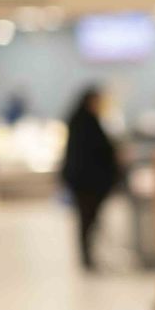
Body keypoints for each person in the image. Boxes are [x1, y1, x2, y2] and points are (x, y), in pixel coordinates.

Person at [60, 86, 117, 271]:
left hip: (86, 181)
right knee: (87, 220)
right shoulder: (85, 124)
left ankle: (88, 255)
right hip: (86, 182)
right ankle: (86, 256)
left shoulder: (84, 122)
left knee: (88, 220)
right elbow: (95, 152)